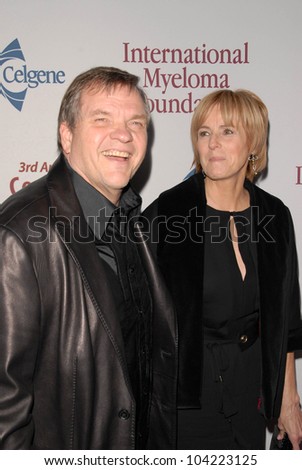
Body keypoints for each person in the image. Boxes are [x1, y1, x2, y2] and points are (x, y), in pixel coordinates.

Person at [0, 66, 177, 450]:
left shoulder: (133, 221)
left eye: (136, 122)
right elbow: (5, 408)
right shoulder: (18, 235)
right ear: (67, 135)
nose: (124, 135)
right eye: (102, 119)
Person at [143, 89, 302, 449]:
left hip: (251, 390)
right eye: (204, 132)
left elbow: (286, 320)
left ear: (253, 144)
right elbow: (132, 310)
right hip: (187, 396)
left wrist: (288, 398)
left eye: (227, 131)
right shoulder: (170, 212)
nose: (213, 143)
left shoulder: (274, 215)